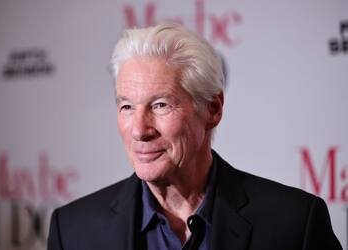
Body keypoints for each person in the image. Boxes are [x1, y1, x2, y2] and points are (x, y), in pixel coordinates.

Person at [47, 22, 342, 250]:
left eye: (160, 105)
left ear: (212, 109)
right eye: (126, 106)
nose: (139, 130)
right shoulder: (73, 230)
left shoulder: (293, 224)